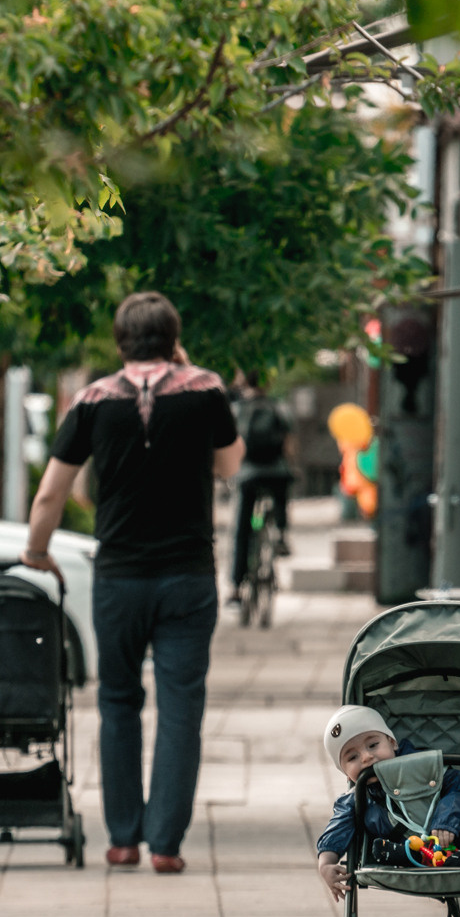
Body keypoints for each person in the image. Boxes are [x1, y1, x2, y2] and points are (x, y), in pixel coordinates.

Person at [21, 292, 244, 872]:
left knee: (118, 703)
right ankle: (166, 846)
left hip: (118, 578)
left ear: (119, 341)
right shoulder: (206, 390)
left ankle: (123, 838)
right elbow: (228, 466)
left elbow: (51, 492)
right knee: (180, 708)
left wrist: (35, 549)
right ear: (174, 337)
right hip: (187, 577)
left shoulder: (93, 400)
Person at [313, 704, 460, 900]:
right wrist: (326, 864)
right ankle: (408, 855)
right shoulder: (357, 798)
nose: (366, 757)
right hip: (412, 851)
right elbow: (336, 829)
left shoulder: (422, 764)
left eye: (373, 745)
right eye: (352, 757)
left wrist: (445, 821)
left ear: (392, 743)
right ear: (345, 773)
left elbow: (459, 785)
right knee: (380, 845)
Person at [228, 379, 296, 599]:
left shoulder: (237, 409)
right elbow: (289, 444)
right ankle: (280, 534)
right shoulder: (278, 406)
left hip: (247, 474)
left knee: (241, 529)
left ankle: (237, 586)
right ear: (266, 384)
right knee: (281, 494)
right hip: (276, 471)